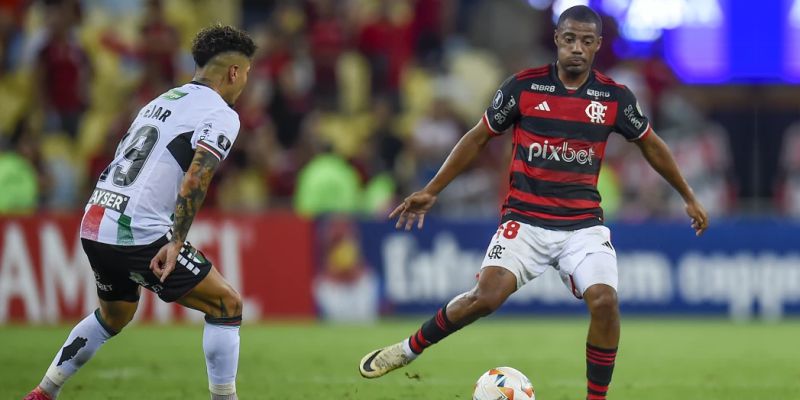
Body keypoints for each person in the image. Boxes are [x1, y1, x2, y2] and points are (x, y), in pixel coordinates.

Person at [358, 6, 709, 400]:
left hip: (582, 227)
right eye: (570, 39)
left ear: (597, 46)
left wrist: (688, 196)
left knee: (605, 300)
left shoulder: (613, 98)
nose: (577, 48)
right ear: (557, 39)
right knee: (485, 299)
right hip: (525, 221)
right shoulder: (524, 88)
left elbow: (651, 145)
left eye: (586, 41)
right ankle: (407, 350)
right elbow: (477, 137)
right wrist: (433, 189)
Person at [25, 24, 256, 400]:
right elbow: (196, 177)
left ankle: (43, 392)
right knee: (226, 304)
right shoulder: (221, 113)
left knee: (113, 316)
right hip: (138, 232)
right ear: (233, 71)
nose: (246, 80)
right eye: (247, 72)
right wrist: (177, 241)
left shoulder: (160, 101)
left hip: (96, 220)